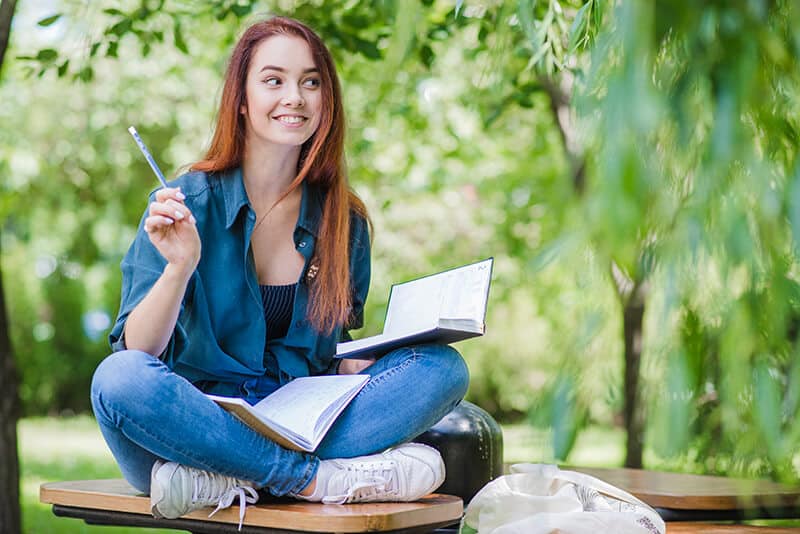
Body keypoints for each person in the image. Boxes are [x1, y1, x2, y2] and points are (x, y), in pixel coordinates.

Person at [90, 15, 469, 527]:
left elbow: (330, 355)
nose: (295, 96)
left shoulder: (343, 221)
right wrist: (180, 267)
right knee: (118, 379)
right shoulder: (185, 205)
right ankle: (315, 481)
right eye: (274, 80)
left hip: (298, 421)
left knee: (442, 367)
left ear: (325, 101)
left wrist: (358, 363)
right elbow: (139, 352)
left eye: (310, 82)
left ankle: (227, 480)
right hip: (197, 424)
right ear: (241, 100)